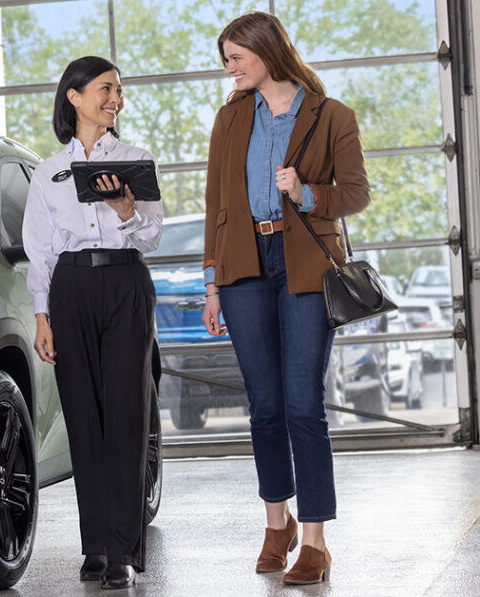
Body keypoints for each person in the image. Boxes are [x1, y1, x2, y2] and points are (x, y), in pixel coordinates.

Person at [201, 12, 370, 585]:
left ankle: (316, 542)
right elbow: (215, 206)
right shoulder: (228, 119)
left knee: (303, 405)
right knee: (265, 406)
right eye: (226, 58)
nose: (229, 68)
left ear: (265, 52)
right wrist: (211, 284)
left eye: (235, 57)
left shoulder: (332, 116)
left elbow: (356, 194)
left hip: (305, 269)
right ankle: (278, 524)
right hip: (244, 269)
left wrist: (306, 192)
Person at [22, 56, 163, 589]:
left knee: (127, 414)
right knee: (83, 417)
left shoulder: (135, 159)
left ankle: (124, 551)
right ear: (74, 97)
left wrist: (127, 208)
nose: (115, 100)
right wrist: (42, 314)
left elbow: (152, 236)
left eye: (119, 91)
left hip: (125, 283)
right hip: (71, 289)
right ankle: (95, 546)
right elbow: (40, 250)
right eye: (106, 89)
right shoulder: (48, 171)